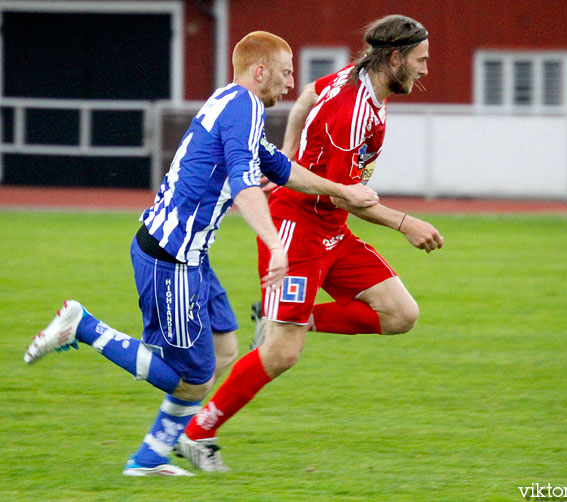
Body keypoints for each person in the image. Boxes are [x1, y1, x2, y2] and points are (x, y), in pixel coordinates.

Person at [23, 31, 378, 477]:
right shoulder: (243, 107)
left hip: (192, 256)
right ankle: (84, 326)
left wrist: (342, 190)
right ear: (260, 71)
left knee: (224, 349)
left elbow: (281, 169)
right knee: (192, 379)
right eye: (285, 73)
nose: (290, 84)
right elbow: (246, 185)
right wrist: (275, 244)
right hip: (171, 260)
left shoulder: (234, 105)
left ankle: (149, 461)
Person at [177, 15, 444, 472]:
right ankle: (196, 434)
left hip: (330, 228)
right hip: (297, 228)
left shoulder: (353, 78)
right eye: (420, 61)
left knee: (401, 314)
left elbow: (305, 98)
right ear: (395, 58)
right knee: (282, 353)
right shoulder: (351, 115)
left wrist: (282, 159)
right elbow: (349, 196)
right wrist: (405, 223)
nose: (425, 69)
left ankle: (280, 317)